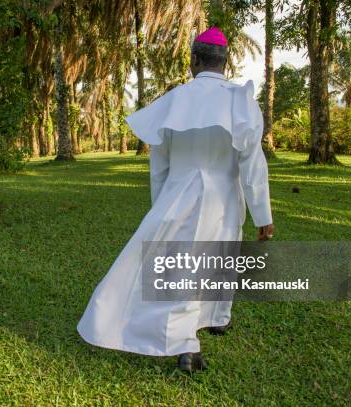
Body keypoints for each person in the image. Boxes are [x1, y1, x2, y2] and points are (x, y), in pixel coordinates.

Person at [77, 26, 274, 373]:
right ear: (224, 63)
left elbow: (160, 166)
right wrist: (263, 215)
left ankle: (210, 321)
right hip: (226, 197)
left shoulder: (173, 101)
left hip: (179, 193)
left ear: (194, 60)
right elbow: (252, 164)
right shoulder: (241, 100)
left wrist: (161, 205)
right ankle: (194, 340)